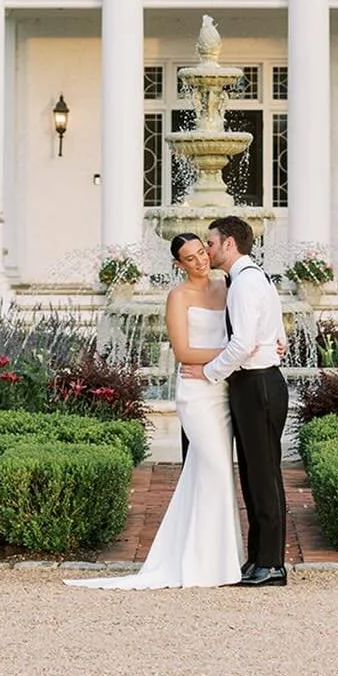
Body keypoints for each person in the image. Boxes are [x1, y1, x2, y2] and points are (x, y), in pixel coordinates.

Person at [66, 232, 243, 590]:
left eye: (201, 253)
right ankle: (203, 564)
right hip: (196, 392)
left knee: (215, 471)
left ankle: (220, 560)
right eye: (189, 258)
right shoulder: (178, 296)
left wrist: (250, 348)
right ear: (179, 265)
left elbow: (246, 326)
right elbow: (184, 353)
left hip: (223, 387)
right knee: (213, 466)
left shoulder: (226, 285)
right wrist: (236, 353)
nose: (199, 261)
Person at [189, 214, 290, 587]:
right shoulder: (253, 278)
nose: (208, 249)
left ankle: (272, 564)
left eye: (211, 243)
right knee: (253, 473)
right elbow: (277, 329)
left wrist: (208, 371)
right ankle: (258, 558)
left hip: (257, 384)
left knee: (264, 476)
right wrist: (277, 341)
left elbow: (243, 343)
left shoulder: (246, 284)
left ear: (229, 243)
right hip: (256, 382)